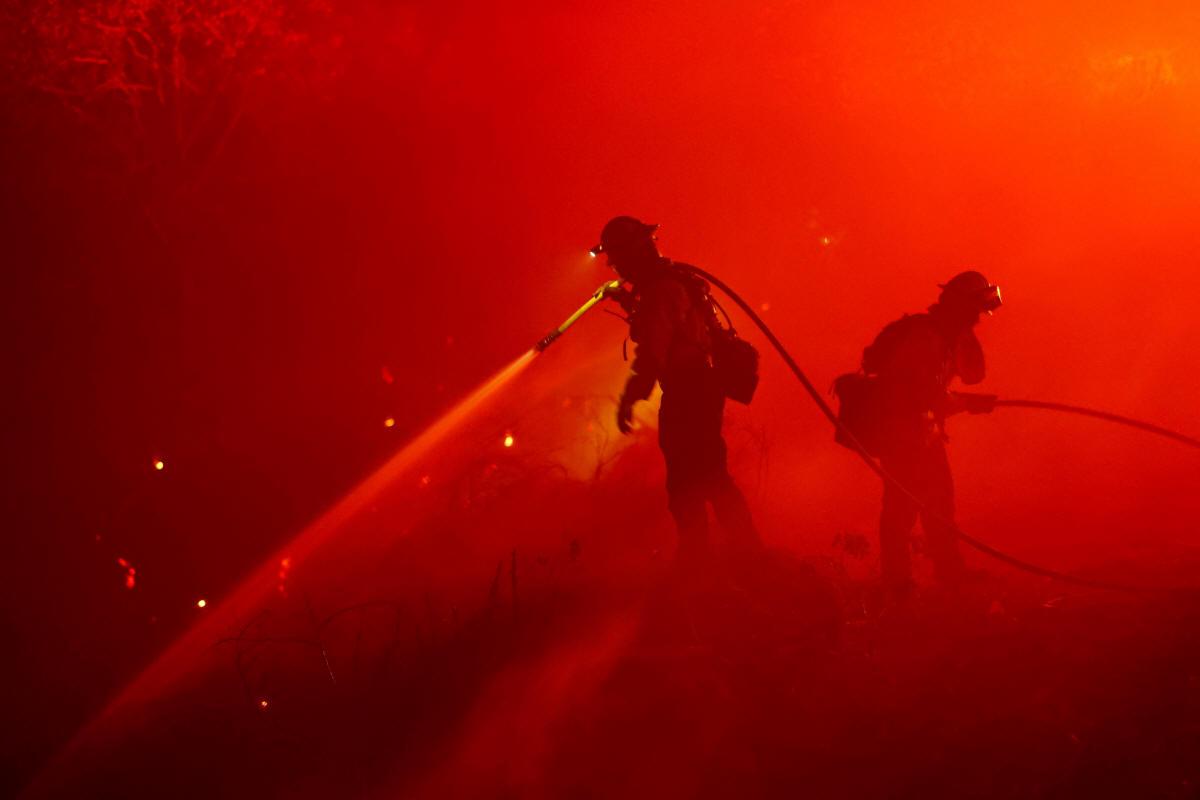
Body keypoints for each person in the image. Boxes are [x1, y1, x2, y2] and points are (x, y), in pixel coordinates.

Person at [592, 216, 761, 562]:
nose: (618, 268)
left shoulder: (662, 289)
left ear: (635, 253)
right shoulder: (667, 285)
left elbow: (654, 349)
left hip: (688, 390)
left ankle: (711, 558)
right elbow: (663, 324)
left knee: (692, 481)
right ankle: (734, 554)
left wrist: (629, 398)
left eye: (619, 259)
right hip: (698, 387)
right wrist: (623, 299)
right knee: (703, 476)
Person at [862, 270, 1001, 601]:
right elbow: (920, 396)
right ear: (959, 306)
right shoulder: (924, 338)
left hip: (925, 434)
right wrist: (968, 404)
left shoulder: (946, 336)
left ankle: (950, 577)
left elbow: (973, 375)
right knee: (901, 509)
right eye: (974, 312)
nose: (977, 319)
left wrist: (963, 336)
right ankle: (897, 586)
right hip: (901, 435)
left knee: (940, 506)